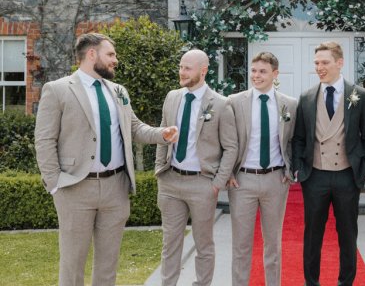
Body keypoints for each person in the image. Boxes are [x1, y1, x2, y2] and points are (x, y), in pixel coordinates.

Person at [34, 32, 178, 286]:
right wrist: (55, 183)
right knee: (72, 266)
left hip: (115, 189)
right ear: (92, 54)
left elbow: (134, 128)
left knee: (108, 266)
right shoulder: (57, 90)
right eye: (110, 54)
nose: (115, 60)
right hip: (75, 189)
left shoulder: (118, 91)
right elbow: (44, 141)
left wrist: (162, 134)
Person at [292, 41, 365, 286]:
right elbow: (299, 137)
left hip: (347, 176)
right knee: (312, 236)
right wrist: (299, 167)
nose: (319, 67)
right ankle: (312, 282)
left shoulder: (359, 95)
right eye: (317, 63)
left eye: (325, 62)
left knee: (348, 235)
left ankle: (345, 283)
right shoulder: (307, 97)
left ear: (340, 63)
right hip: (315, 176)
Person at [154, 49, 237, 286]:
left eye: (187, 68)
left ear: (203, 70)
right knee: (170, 243)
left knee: (204, 244)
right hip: (170, 182)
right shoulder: (172, 97)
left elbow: (231, 148)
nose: (181, 72)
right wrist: (160, 168)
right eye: (180, 67)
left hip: (202, 184)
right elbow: (163, 132)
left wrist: (217, 184)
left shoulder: (221, 104)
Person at [227, 52, 297, 285]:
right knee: (241, 244)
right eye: (254, 71)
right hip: (243, 180)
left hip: (276, 180)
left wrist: (290, 169)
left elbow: (294, 140)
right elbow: (226, 141)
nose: (256, 76)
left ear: (275, 74)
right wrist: (228, 172)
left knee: (273, 244)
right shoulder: (235, 102)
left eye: (262, 71)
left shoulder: (290, 104)